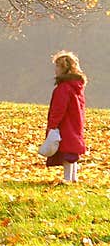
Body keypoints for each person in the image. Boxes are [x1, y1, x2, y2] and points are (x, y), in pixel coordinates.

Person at [45, 50, 87, 183]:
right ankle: (73, 177)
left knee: (66, 151)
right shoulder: (76, 87)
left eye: (57, 67)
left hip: (65, 124)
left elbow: (58, 109)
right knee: (72, 151)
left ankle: (68, 178)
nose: (55, 70)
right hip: (75, 124)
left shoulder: (63, 88)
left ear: (63, 68)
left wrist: (52, 125)